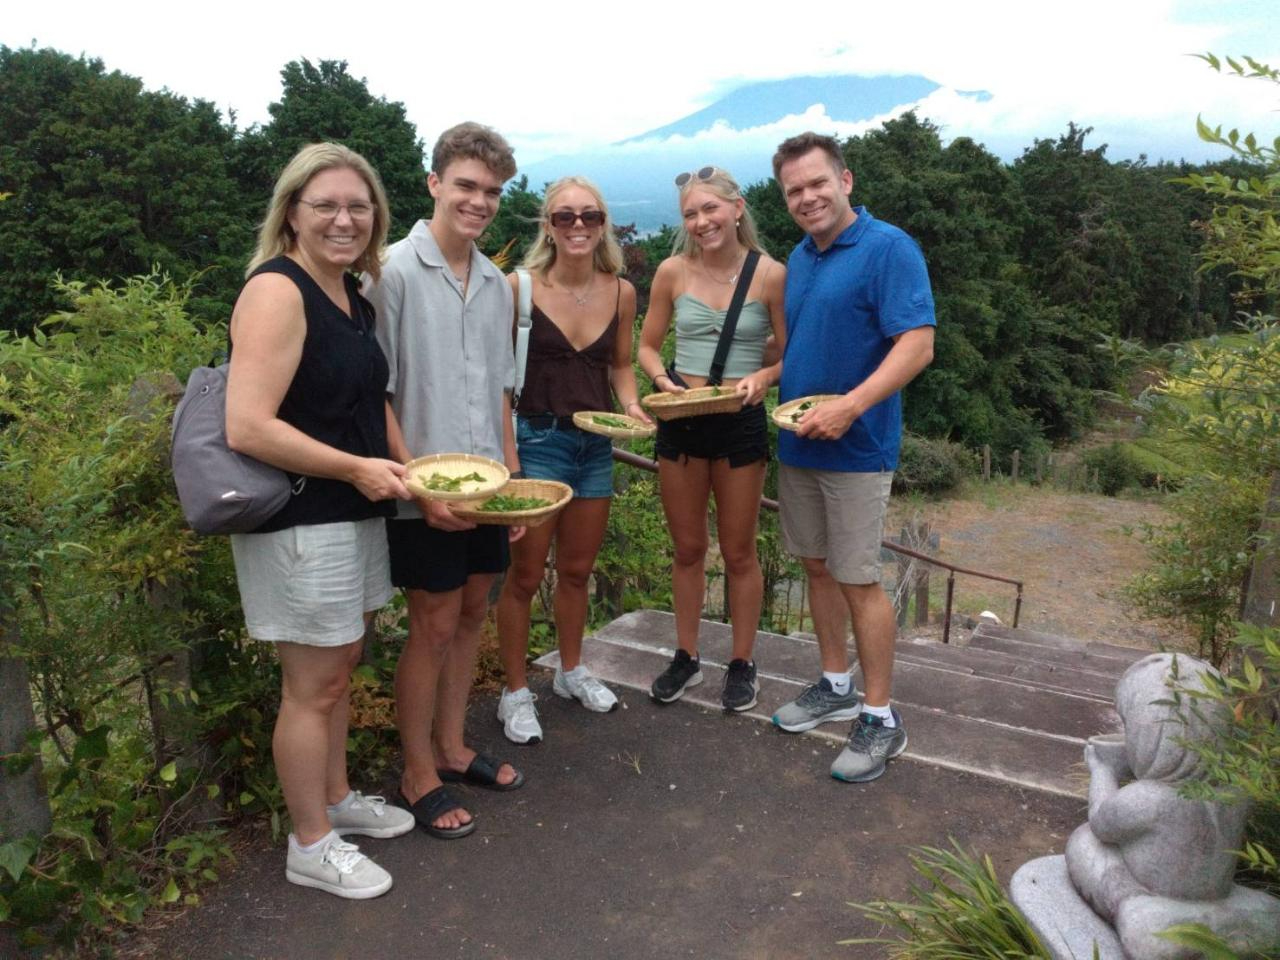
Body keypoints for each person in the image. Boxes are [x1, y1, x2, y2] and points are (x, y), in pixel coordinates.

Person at [224, 142, 415, 899]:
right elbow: (247, 425)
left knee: (336, 674)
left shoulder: (349, 295)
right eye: (326, 205)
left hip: (349, 511)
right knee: (310, 687)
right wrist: (357, 470)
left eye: (358, 206)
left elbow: (367, 406)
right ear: (292, 215)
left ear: (376, 218)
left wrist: (405, 475)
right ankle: (311, 843)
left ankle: (335, 802)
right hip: (302, 520)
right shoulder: (278, 291)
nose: (344, 219)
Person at [365, 122, 524, 841]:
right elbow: (381, 394)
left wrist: (513, 479)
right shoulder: (392, 272)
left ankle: (455, 747)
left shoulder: (497, 284)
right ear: (433, 184)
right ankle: (417, 770)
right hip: (419, 485)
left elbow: (500, 389)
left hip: (486, 483)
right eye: (465, 185)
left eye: (492, 191)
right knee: (429, 625)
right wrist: (418, 490)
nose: (479, 201)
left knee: (470, 615)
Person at [767, 132, 935, 783]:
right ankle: (834, 682)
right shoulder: (802, 257)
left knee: (858, 576)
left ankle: (881, 717)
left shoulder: (889, 249)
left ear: (846, 180)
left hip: (858, 447)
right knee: (816, 566)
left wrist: (851, 405)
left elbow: (917, 346)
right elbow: (807, 342)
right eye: (794, 191)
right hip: (798, 439)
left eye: (817, 183)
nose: (807, 197)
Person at [493, 177, 650, 744]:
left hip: (594, 445)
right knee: (525, 574)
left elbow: (620, 366)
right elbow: (499, 383)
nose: (577, 225)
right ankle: (514, 691)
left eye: (589, 216)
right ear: (548, 225)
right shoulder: (518, 288)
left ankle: (570, 669)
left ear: (603, 223)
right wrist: (509, 461)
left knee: (578, 572)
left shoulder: (621, 291)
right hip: (536, 440)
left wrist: (632, 408)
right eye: (564, 217)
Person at [637, 166, 786, 712]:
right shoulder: (672, 271)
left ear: (737, 207)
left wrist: (763, 379)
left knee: (740, 551)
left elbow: (788, 355)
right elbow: (649, 346)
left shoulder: (771, 274)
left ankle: (743, 661)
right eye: (691, 215)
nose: (701, 222)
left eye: (710, 210)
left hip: (740, 421)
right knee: (688, 549)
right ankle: (687, 655)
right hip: (681, 418)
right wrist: (661, 382)